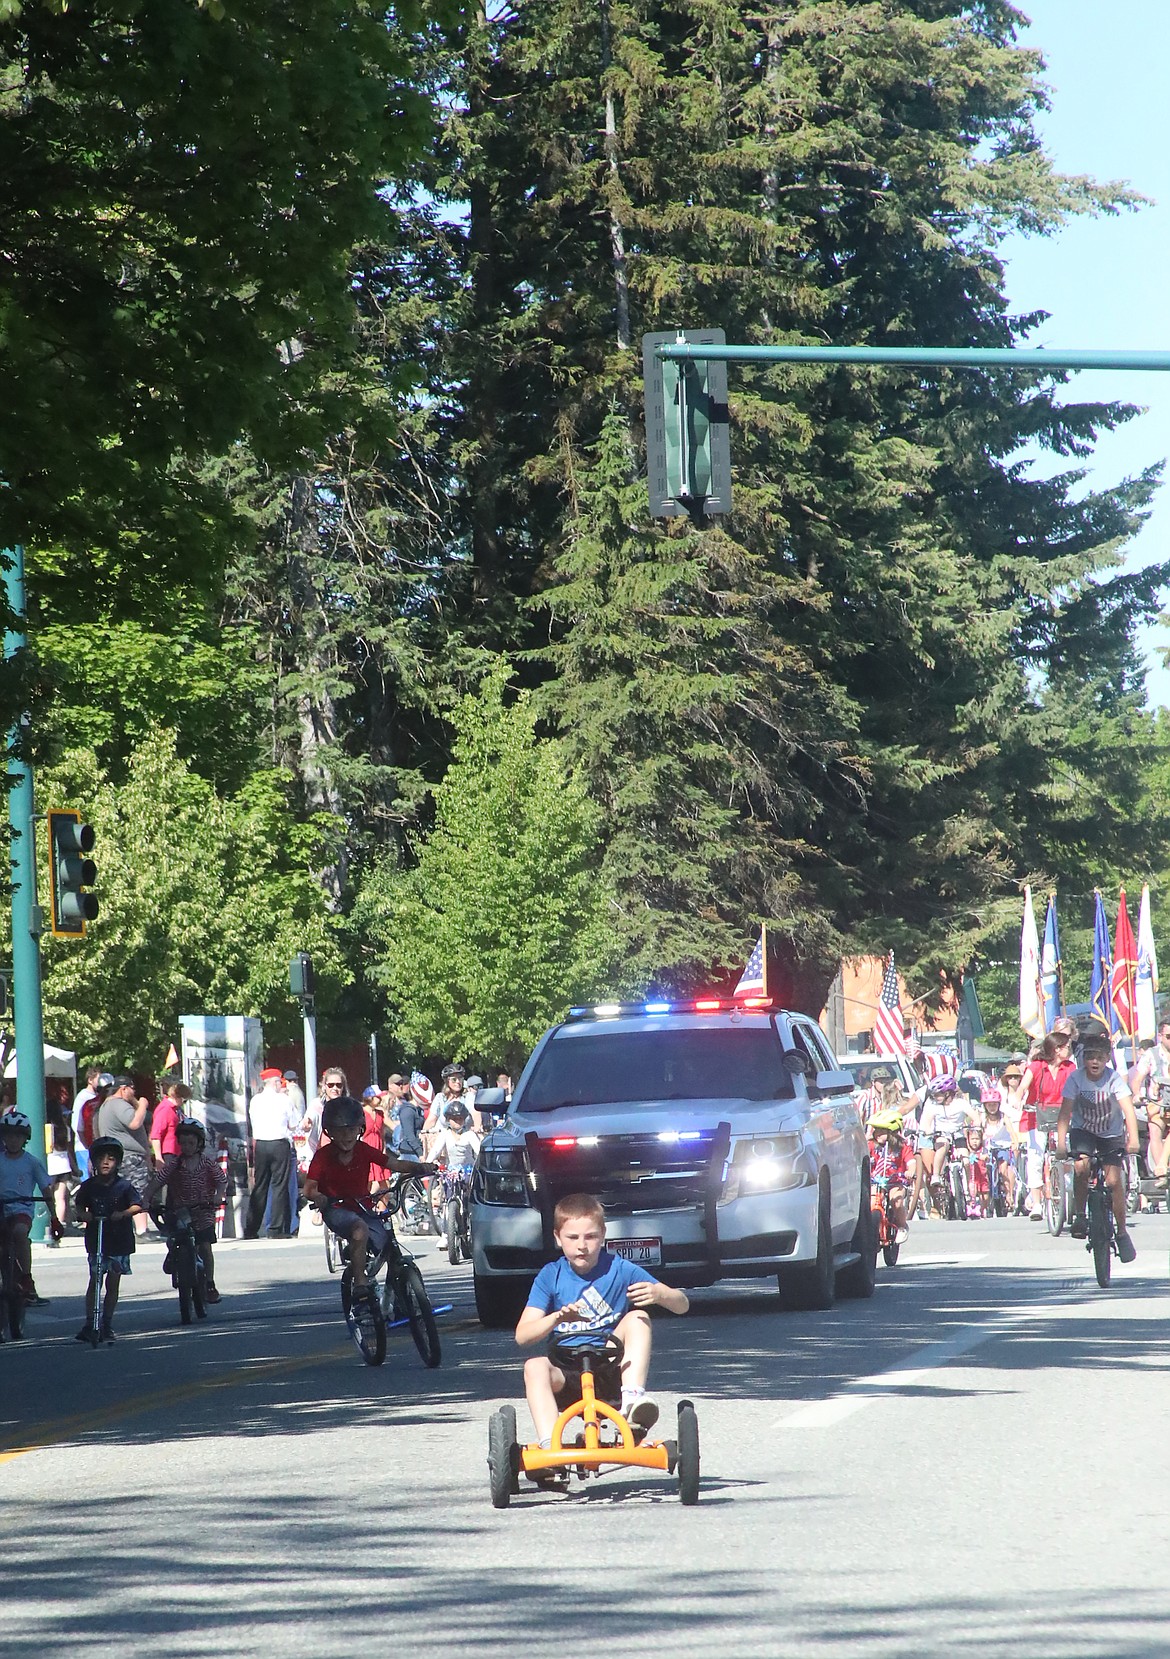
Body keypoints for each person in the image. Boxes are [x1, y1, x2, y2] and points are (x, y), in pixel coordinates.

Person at [516, 1193, 689, 1475]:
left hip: (611, 1368)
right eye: (572, 1238)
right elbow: (523, 1336)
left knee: (638, 1317)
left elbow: (682, 1305)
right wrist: (557, 1317)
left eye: (590, 1237)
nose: (582, 1246)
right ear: (558, 1238)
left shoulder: (620, 1269)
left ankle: (633, 1403)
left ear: (604, 1235)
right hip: (567, 1373)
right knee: (534, 1366)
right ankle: (550, 1447)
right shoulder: (551, 1275)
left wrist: (661, 1294)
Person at [304, 1094, 433, 1297]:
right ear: (330, 1132)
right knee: (359, 1228)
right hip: (336, 1209)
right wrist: (318, 1196)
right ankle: (360, 1283)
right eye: (340, 1130)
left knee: (385, 1243)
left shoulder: (363, 1150)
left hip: (362, 1207)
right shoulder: (323, 1156)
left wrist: (421, 1167)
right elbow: (309, 1188)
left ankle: (400, 1297)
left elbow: (395, 1164)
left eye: (351, 1129)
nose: (346, 1135)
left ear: (360, 1129)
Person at [1057, 1030, 1140, 1260]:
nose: (1095, 1061)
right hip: (1083, 1131)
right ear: (1084, 1059)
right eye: (1090, 1056)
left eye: (1100, 1057)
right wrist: (1061, 1144)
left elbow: (1128, 1110)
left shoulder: (1113, 1079)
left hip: (1110, 1134)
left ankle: (1122, 1233)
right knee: (1081, 1167)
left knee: (1114, 1181)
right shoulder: (1076, 1078)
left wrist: (1132, 1139)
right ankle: (1080, 1215)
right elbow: (1064, 1114)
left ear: (1107, 1059)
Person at [145, 1118, 229, 1303]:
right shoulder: (175, 1164)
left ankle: (209, 1283)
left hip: (203, 1210)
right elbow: (158, 1181)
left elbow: (221, 1180)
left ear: (199, 1143)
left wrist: (218, 1195)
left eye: (191, 1143)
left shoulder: (207, 1163)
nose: (187, 1147)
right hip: (180, 1211)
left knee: (205, 1246)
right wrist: (145, 1199)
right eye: (182, 1143)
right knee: (174, 1237)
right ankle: (173, 1256)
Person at [74, 1136, 143, 1341]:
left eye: (111, 1158)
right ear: (93, 1162)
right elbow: (79, 1206)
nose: (105, 1162)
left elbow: (137, 1204)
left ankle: (107, 1322)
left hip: (119, 1242)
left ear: (118, 1162)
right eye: (101, 1158)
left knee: (113, 1283)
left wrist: (123, 1213)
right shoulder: (89, 1187)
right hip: (97, 1240)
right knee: (95, 1280)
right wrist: (84, 1214)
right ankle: (90, 1322)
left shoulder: (124, 1186)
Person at [1013, 1016, 1078, 1219]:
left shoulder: (1070, 1068)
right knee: (1036, 1155)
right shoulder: (1036, 1067)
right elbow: (1023, 1086)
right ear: (1057, 1049)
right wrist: (1017, 1098)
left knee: (1067, 1152)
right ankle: (1037, 1203)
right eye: (1066, 1046)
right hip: (1036, 1114)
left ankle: (1068, 1193)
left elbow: (1077, 1089)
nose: (1069, 1048)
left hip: (1063, 1115)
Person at [0, 1110, 63, 1305]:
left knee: (20, 1232)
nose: (13, 1140)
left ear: (25, 1138)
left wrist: (54, 1218)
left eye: (18, 1136)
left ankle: (26, 1278)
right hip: (2, 1207)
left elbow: (46, 1190)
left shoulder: (31, 1162)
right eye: (8, 1135)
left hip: (21, 1208)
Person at [245, 1068, 300, 1238]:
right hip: (279, 1144)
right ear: (275, 1082)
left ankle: (251, 1228)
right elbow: (293, 1123)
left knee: (260, 1186)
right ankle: (275, 1229)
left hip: (261, 1145)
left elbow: (252, 1121)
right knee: (279, 1186)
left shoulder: (255, 1100)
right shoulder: (284, 1100)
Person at [95, 1075, 152, 1234]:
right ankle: (142, 1229)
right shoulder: (119, 1104)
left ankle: (128, 1227)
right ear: (123, 1088)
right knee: (137, 1190)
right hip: (130, 1158)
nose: (134, 1092)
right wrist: (142, 1105)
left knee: (124, 1192)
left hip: (119, 1156)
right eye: (132, 1089)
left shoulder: (107, 1105)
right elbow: (134, 1122)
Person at [1129, 1019, 1170, 1177]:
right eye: (1169, 1036)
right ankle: (1162, 1175)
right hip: (1158, 1102)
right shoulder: (1151, 1055)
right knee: (1155, 1129)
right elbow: (1137, 1079)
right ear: (1160, 1036)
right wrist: (1137, 1094)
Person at [867, 1109, 911, 1241]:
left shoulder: (902, 1147)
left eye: (882, 1130)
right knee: (869, 1201)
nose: (877, 1133)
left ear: (892, 1132)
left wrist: (910, 1171)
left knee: (896, 1200)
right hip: (875, 1181)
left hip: (895, 1181)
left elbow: (911, 1161)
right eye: (876, 1129)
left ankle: (902, 1226)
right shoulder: (870, 1145)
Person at [150, 1080, 188, 1165]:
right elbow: (156, 1135)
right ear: (177, 1096)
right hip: (168, 1154)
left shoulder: (175, 1110)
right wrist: (158, 1158)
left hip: (176, 1152)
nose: (183, 1104)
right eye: (184, 1101)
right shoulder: (165, 1109)